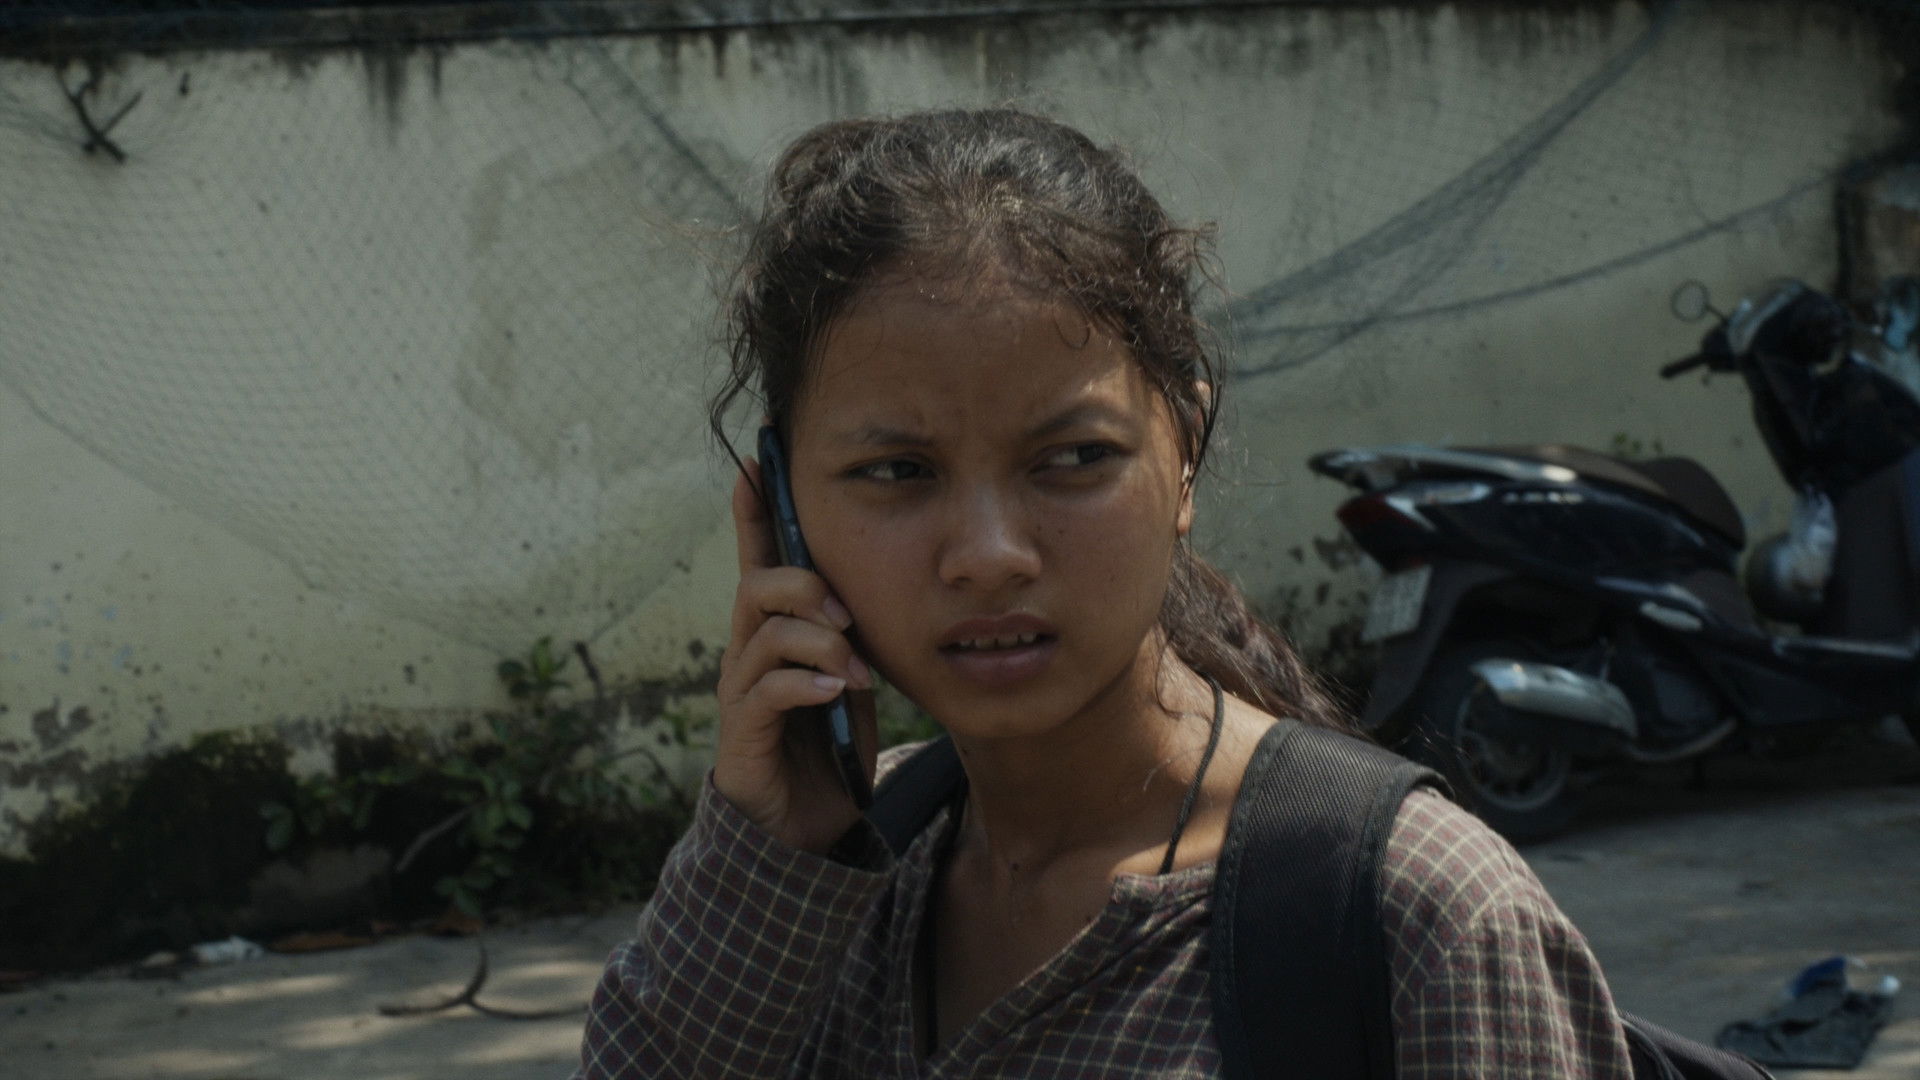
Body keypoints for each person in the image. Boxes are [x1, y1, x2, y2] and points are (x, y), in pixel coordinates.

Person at [574, 107, 1633, 1079]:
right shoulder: (821, 883)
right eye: (897, 471)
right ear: (783, 509)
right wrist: (763, 864)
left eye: (1075, 457)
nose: (989, 556)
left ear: (1186, 456)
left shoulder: (1419, 914)